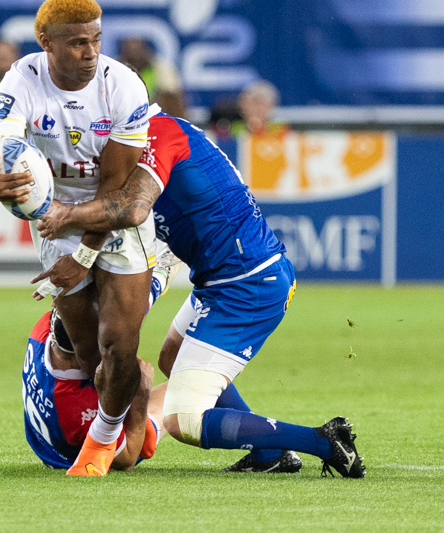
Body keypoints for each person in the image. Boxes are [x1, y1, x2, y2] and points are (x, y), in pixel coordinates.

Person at [34, 112, 365, 478]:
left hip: (247, 285)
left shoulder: (159, 133)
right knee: (172, 356)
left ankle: (323, 441)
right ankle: (269, 452)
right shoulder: (144, 141)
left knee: (183, 420)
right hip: (223, 280)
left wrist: (66, 219)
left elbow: (130, 208)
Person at [0, 0, 159, 477]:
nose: (91, 52)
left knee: (118, 345)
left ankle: (109, 442)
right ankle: (129, 411)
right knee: (90, 350)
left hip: (113, 214)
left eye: (96, 40)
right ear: (46, 42)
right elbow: (3, 145)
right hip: (53, 218)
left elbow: (115, 189)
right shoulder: (20, 81)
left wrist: (83, 255)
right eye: (78, 43)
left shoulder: (124, 87)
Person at [22, 310, 163, 470]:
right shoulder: (78, 407)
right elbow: (129, 458)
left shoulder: (44, 327)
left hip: (44, 442)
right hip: (73, 456)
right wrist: (141, 397)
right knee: (172, 394)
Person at [118, 37, 187, 117]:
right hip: (124, 119)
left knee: (169, 97)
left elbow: (176, 105)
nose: (133, 47)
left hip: (157, 117)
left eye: (137, 42)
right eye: (130, 43)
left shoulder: (163, 70)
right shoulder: (114, 70)